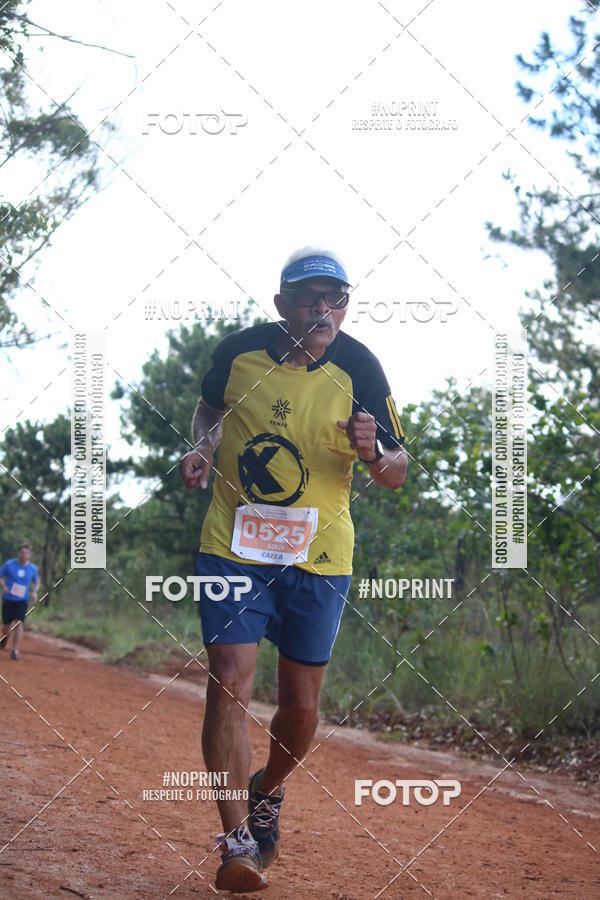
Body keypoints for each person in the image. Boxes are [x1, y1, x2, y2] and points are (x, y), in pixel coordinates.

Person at [179, 247, 407, 892]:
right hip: (235, 547)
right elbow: (209, 408)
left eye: (335, 299)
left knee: (302, 710)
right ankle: (237, 843)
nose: (323, 310)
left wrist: (374, 455)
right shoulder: (238, 353)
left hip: (320, 557)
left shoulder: (361, 367)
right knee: (228, 678)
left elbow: (398, 471)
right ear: (281, 305)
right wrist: (200, 447)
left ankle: (266, 789)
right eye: (310, 297)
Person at [0, 543, 39, 661]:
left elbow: (36, 581)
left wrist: (34, 592)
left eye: (27, 553)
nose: (24, 555)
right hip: (8, 599)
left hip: (22, 601)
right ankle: (6, 635)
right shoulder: (9, 564)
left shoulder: (32, 568)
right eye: (22, 552)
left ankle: (14, 650)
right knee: (6, 625)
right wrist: (3, 587)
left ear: (30, 555)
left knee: (19, 623)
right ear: (18, 553)